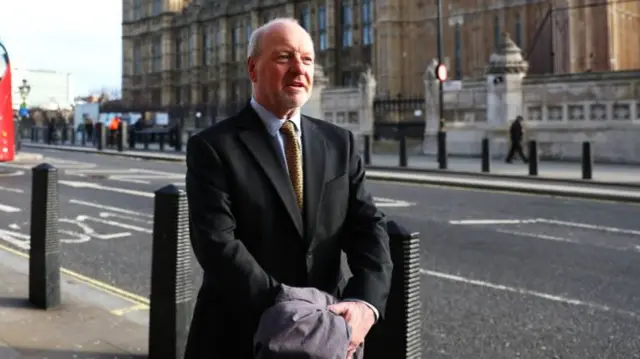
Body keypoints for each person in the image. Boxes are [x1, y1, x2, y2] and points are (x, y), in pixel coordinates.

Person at [184, 18, 393, 359]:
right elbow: (217, 244)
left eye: (307, 59)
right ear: (253, 69)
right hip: (240, 335)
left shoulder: (339, 142)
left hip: (327, 337)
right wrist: (293, 311)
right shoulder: (214, 146)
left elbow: (368, 226)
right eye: (284, 57)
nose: (299, 68)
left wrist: (365, 304)